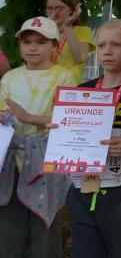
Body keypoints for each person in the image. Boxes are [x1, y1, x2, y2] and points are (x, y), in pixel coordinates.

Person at [64, 19, 121, 258]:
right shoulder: (80, 91)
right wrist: (59, 133)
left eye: (116, 45)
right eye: (101, 45)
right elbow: (68, 138)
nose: (107, 51)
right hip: (83, 188)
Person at [0, 16, 74, 257]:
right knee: (9, 231)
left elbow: (69, 120)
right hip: (11, 161)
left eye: (41, 42)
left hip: (47, 161)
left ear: (54, 46)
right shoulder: (10, 77)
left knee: (45, 228)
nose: (32, 47)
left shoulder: (64, 76)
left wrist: (28, 117)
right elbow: (5, 114)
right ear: (19, 45)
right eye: (27, 42)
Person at [46, 0, 96, 83]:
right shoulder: (42, 34)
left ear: (71, 10)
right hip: (45, 86)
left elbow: (79, 58)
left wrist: (67, 27)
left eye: (59, 8)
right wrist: (44, 27)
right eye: (50, 8)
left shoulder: (82, 31)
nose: (54, 12)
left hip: (69, 86)